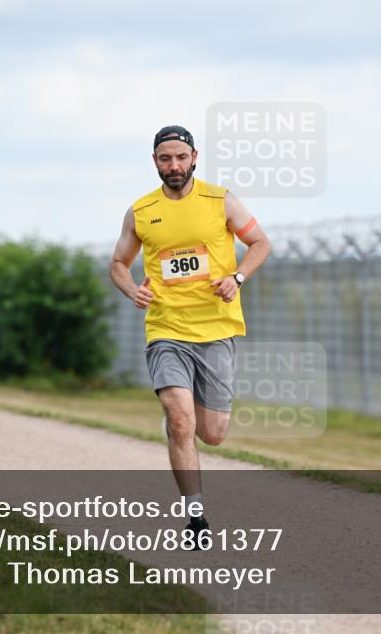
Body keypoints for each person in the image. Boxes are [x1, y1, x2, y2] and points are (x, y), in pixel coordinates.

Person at [109, 125, 270, 546]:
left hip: (215, 329)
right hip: (166, 328)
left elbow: (260, 244)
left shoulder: (221, 201)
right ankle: (196, 518)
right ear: (155, 162)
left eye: (181, 157)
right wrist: (132, 289)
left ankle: (181, 417)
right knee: (181, 421)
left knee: (212, 433)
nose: (174, 165)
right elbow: (119, 264)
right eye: (166, 158)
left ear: (195, 157)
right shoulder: (141, 211)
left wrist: (237, 276)